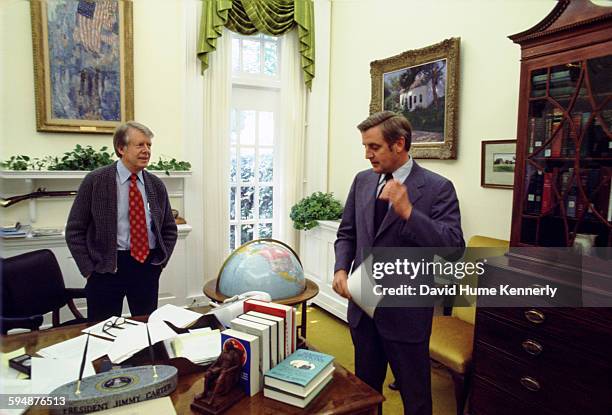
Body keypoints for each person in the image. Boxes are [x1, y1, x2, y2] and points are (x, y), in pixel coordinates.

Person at [333, 111, 464, 415]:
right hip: (363, 311)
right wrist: (341, 268)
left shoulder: (438, 188)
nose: (367, 155)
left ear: (399, 144)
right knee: (365, 393)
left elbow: (454, 248)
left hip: (406, 315)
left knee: (416, 400)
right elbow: (347, 233)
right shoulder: (363, 181)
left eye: (374, 147)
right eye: (365, 146)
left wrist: (409, 213)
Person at [66, 121, 178, 322]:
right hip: (106, 268)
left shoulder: (156, 184)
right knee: (103, 331)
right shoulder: (95, 181)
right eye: (140, 145)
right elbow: (74, 231)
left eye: (149, 145)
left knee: (146, 329)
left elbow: (169, 228)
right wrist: (89, 270)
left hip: (146, 266)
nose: (146, 151)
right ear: (121, 148)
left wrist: (159, 264)